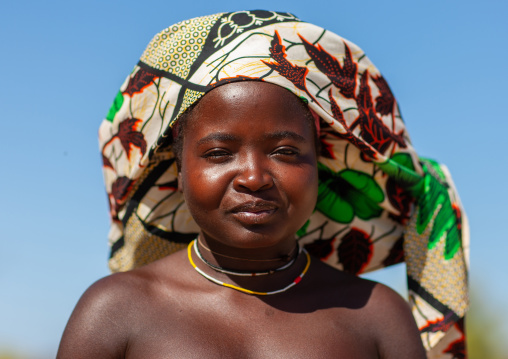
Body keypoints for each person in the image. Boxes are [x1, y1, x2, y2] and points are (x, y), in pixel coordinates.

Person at [58, 10, 468, 358]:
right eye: (219, 153)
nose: (254, 177)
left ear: (320, 166)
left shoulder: (376, 316)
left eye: (286, 152)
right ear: (179, 172)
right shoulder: (116, 311)